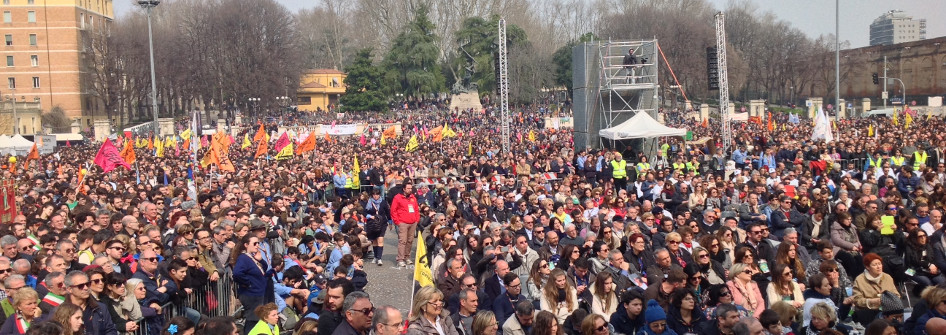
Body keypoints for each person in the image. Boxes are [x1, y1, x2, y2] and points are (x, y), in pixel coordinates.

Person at [230, 235, 275, 334]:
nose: (257, 245)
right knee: (253, 320)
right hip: (251, 294)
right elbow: (237, 273)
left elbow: (261, 270)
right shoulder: (243, 257)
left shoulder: (251, 257)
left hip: (258, 293)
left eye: (258, 243)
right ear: (246, 245)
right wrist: (248, 283)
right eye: (254, 243)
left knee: (258, 319)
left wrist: (260, 260)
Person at [62, 271, 117, 335]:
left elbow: (110, 330)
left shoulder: (100, 308)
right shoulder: (61, 311)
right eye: (81, 286)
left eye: (87, 284)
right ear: (69, 289)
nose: (85, 288)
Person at [852, 253, 898, 325]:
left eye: (879, 264)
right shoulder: (859, 279)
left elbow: (896, 295)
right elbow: (857, 300)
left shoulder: (887, 277)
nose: (878, 267)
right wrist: (872, 301)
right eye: (875, 265)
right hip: (869, 312)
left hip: (888, 311)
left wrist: (889, 299)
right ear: (867, 267)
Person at [391, 183, 421, 268]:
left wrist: (416, 219)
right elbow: (393, 210)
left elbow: (416, 209)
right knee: (402, 241)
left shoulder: (413, 198)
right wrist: (398, 222)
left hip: (412, 222)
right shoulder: (397, 197)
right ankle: (400, 259)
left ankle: (407, 257)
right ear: (404, 189)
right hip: (403, 222)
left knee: (410, 240)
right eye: (408, 188)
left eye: (411, 188)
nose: (410, 190)